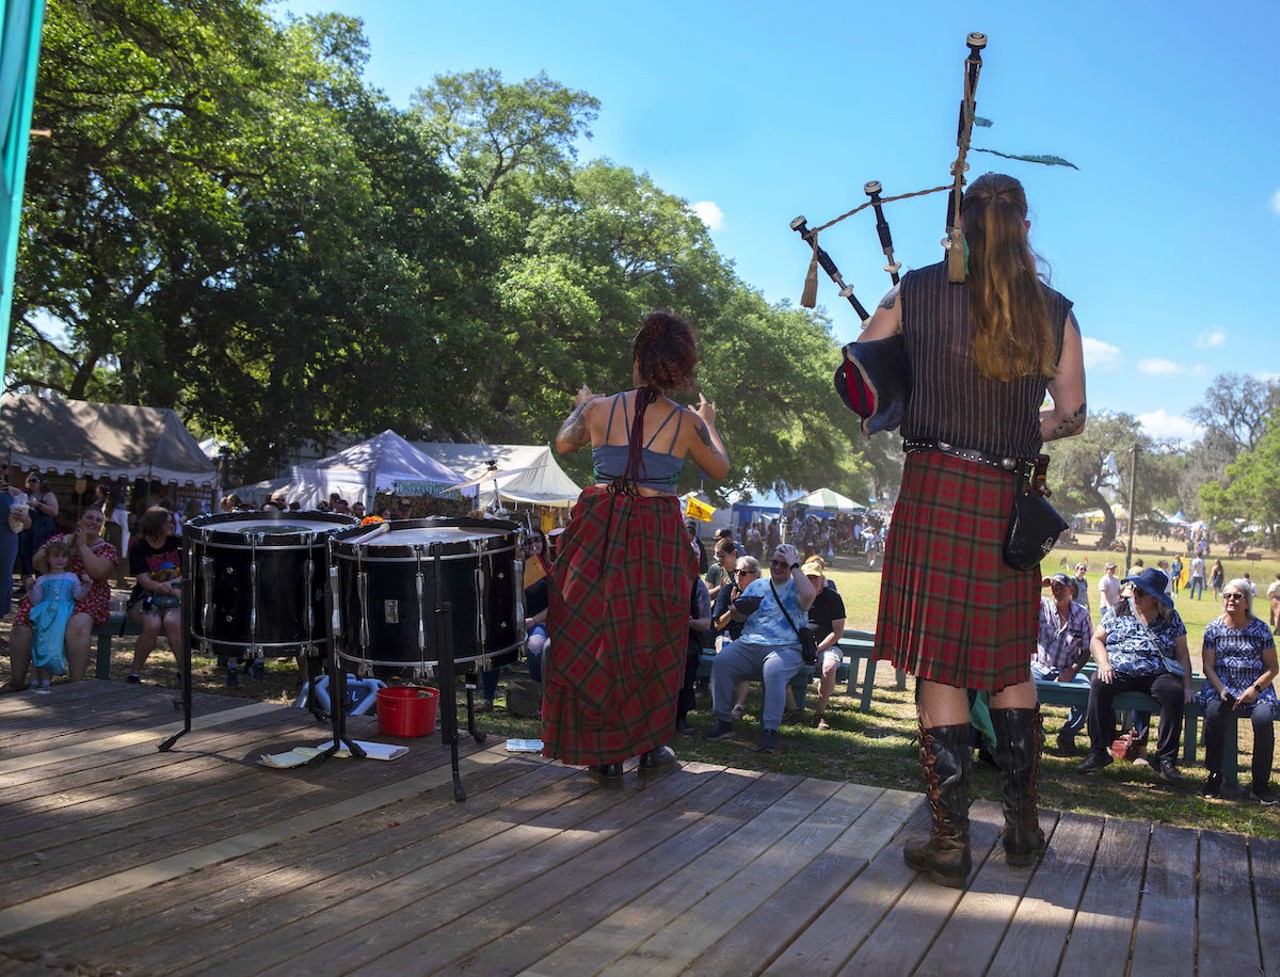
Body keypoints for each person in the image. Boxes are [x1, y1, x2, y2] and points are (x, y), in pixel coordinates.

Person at [853, 173, 1087, 886]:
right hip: (1005, 494)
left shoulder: (918, 289)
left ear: (960, 223)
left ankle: (951, 839)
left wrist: (905, 296)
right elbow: (1072, 410)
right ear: (1021, 227)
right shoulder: (1052, 311)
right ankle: (1021, 827)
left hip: (934, 493)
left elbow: (859, 367)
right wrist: (1028, 425)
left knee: (940, 664)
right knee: (1011, 661)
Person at [545, 310, 728, 779]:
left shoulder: (598, 409)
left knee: (595, 634)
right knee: (653, 639)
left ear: (638, 361)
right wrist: (710, 420)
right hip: (656, 534)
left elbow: (564, 444)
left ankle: (603, 754)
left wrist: (583, 402)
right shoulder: (688, 422)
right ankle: (648, 748)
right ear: (679, 367)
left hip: (599, 528)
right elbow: (720, 468)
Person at [1077, 568, 1194, 782]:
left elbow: (1183, 654)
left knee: (1173, 693)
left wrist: (1187, 685)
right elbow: (1096, 640)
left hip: (1156, 672)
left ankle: (1165, 760)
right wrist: (1103, 664)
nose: (1135, 593)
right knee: (1099, 684)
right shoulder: (1120, 609)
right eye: (1134, 589)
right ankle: (1098, 751)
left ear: (1154, 598)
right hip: (1119, 669)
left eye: (1140, 592)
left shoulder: (1170, 617)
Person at [704, 543, 816, 752]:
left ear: (793, 565)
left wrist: (794, 566)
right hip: (750, 643)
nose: (778, 567)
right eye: (775, 562)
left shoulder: (798, 586)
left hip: (786, 647)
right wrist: (737, 609)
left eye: (784, 564)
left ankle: (770, 730)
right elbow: (739, 616)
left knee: (773, 672)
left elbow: (810, 596)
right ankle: (723, 722)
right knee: (721, 663)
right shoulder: (757, 585)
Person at [5, 507, 119, 689]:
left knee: (78, 624)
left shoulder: (106, 548)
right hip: (51, 592)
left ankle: (76, 684)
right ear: (79, 521)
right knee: (24, 619)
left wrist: (82, 546)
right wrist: (64, 545)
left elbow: (98, 573)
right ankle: (16, 682)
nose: (93, 522)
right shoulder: (60, 540)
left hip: (87, 595)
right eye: (89, 517)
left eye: (98, 520)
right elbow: (37, 562)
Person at [1198, 579, 1277, 803]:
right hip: (1222, 687)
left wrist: (1255, 689)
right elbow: (1208, 667)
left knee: (1263, 720)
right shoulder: (1213, 628)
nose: (1231, 600)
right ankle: (1214, 776)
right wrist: (1222, 690)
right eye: (1227, 596)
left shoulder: (1261, 629)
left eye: (1237, 596)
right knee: (1214, 714)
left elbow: (1273, 667)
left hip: (1255, 689)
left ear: (1246, 602)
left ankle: (1260, 785)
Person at [1034, 573, 1094, 754]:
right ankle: (1036, 732)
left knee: (1086, 692)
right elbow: (1018, 596)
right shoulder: (1039, 606)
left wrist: (1072, 670)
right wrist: (1039, 583)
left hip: (1068, 668)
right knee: (1024, 688)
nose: (1056, 591)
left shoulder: (1082, 615)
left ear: (1071, 590)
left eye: (1061, 587)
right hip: (1039, 666)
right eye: (1054, 587)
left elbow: (1086, 650)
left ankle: (1067, 735)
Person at [125, 506, 183, 684]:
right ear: (156, 524)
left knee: (173, 622)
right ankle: (135, 673)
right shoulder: (138, 548)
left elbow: (187, 573)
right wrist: (168, 588)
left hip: (175, 596)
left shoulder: (178, 543)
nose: (172, 525)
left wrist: (172, 586)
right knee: (152, 624)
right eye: (167, 522)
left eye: (172, 522)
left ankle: (183, 671)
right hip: (146, 596)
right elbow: (144, 581)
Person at [28, 540, 91, 689]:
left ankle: (47, 677)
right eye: (55, 556)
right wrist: (30, 588)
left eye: (64, 556)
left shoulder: (71, 577)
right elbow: (36, 600)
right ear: (48, 558)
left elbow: (78, 595)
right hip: (45, 615)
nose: (60, 560)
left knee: (54, 644)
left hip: (62, 614)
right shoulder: (43, 579)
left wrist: (87, 585)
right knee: (39, 643)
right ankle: (34, 677)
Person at [805, 560, 846, 731]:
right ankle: (791, 708)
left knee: (829, 667)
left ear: (822, 580)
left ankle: (820, 713)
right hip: (798, 646)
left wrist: (817, 648)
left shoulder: (832, 598)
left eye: (815, 578)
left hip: (827, 647)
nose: (811, 581)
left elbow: (837, 632)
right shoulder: (794, 596)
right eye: (807, 578)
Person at [17, 474, 58, 590]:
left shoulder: (47, 495)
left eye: (34, 481)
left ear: (41, 482)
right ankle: (26, 585)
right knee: (26, 555)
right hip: (29, 529)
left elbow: (54, 511)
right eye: (29, 480)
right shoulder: (27, 495)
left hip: (43, 529)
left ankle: (42, 584)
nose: (31, 483)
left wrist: (38, 505)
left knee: (41, 556)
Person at [1, 480, 32, 620]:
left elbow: (27, 524)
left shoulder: (15, 493)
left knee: (3, 577)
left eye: (4, 467)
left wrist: (24, 518)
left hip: (6, 539)